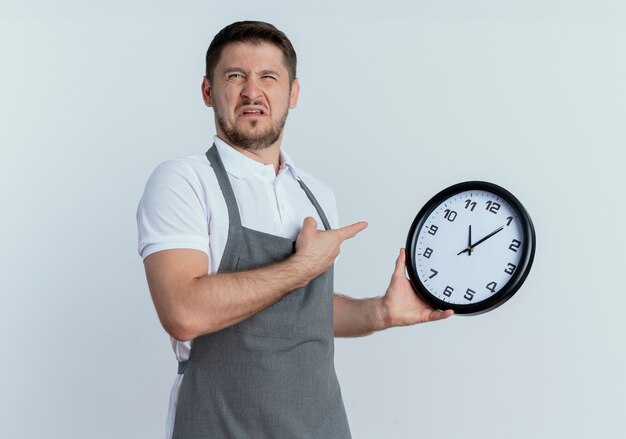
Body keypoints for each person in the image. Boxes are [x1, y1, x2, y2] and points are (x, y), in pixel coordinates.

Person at [137, 20, 453, 439]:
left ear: (294, 93)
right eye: (235, 76)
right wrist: (303, 267)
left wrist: (379, 313)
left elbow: (304, 310)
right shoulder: (184, 181)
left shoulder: (316, 194)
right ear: (208, 92)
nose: (253, 91)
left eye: (269, 76)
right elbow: (183, 313)